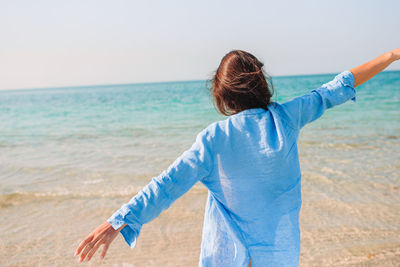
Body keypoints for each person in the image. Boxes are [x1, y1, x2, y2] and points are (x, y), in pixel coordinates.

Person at [75, 48, 400, 266]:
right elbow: (335, 88)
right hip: (281, 258)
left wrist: (119, 220)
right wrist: (392, 54)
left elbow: (167, 185)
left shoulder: (214, 139)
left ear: (224, 96)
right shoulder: (286, 119)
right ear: (260, 83)